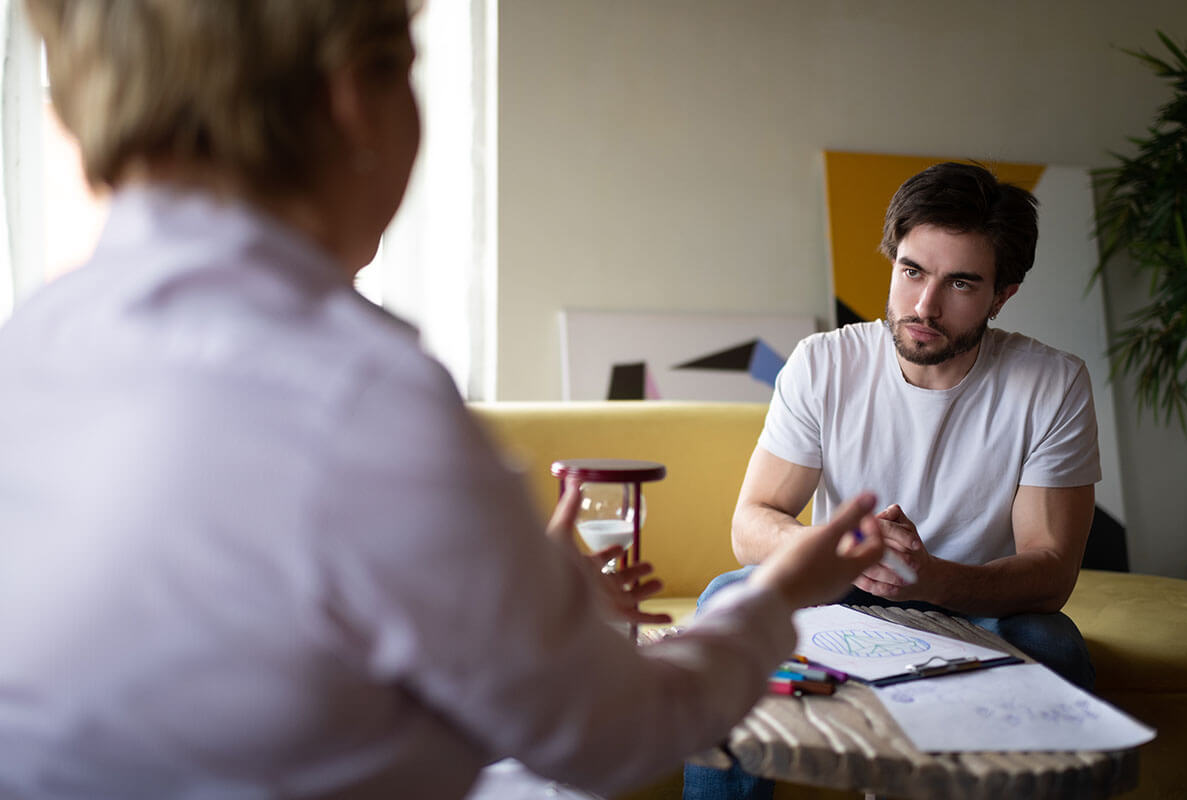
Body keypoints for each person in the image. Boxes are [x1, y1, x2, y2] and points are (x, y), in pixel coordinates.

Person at [0, 2, 886, 798]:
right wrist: (779, 594)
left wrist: (515, 591)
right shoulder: (360, 399)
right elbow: (618, 737)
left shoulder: (31, 346)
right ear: (356, 98)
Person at [684, 161, 1101, 798]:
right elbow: (753, 522)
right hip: (839, 590)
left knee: (1055, 645)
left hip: (976, 607)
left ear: (1002, 295)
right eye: (912, 271)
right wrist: (841, 550)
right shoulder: (823, 363)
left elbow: (1051, 572)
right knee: (725, 602)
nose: (924, 306)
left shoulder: (1053, 385)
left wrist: (934, 579)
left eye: (960, 283)